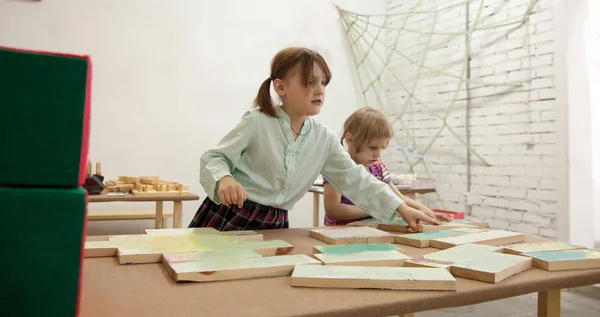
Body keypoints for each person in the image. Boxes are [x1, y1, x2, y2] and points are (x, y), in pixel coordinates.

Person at [189, 47, 440, 231]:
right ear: (280, 87)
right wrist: (224, 179)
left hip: (275, 224)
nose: (320, 90)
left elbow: (356, 179)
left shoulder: (323, 139)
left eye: (323, 83)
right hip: (229, 216)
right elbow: (214, 158)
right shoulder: (257, 121)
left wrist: (401, 207)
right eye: (309, 82)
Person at [323, 107, 451, 226]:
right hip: (340, 233)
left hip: (370, 230)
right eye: (373, 147)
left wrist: (424, 209)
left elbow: (397, 198)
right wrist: (377, 208)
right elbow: (333, 210)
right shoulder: (338, 167)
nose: (378, 154)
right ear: (350, 140)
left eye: (382, 148)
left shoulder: (378, 168)